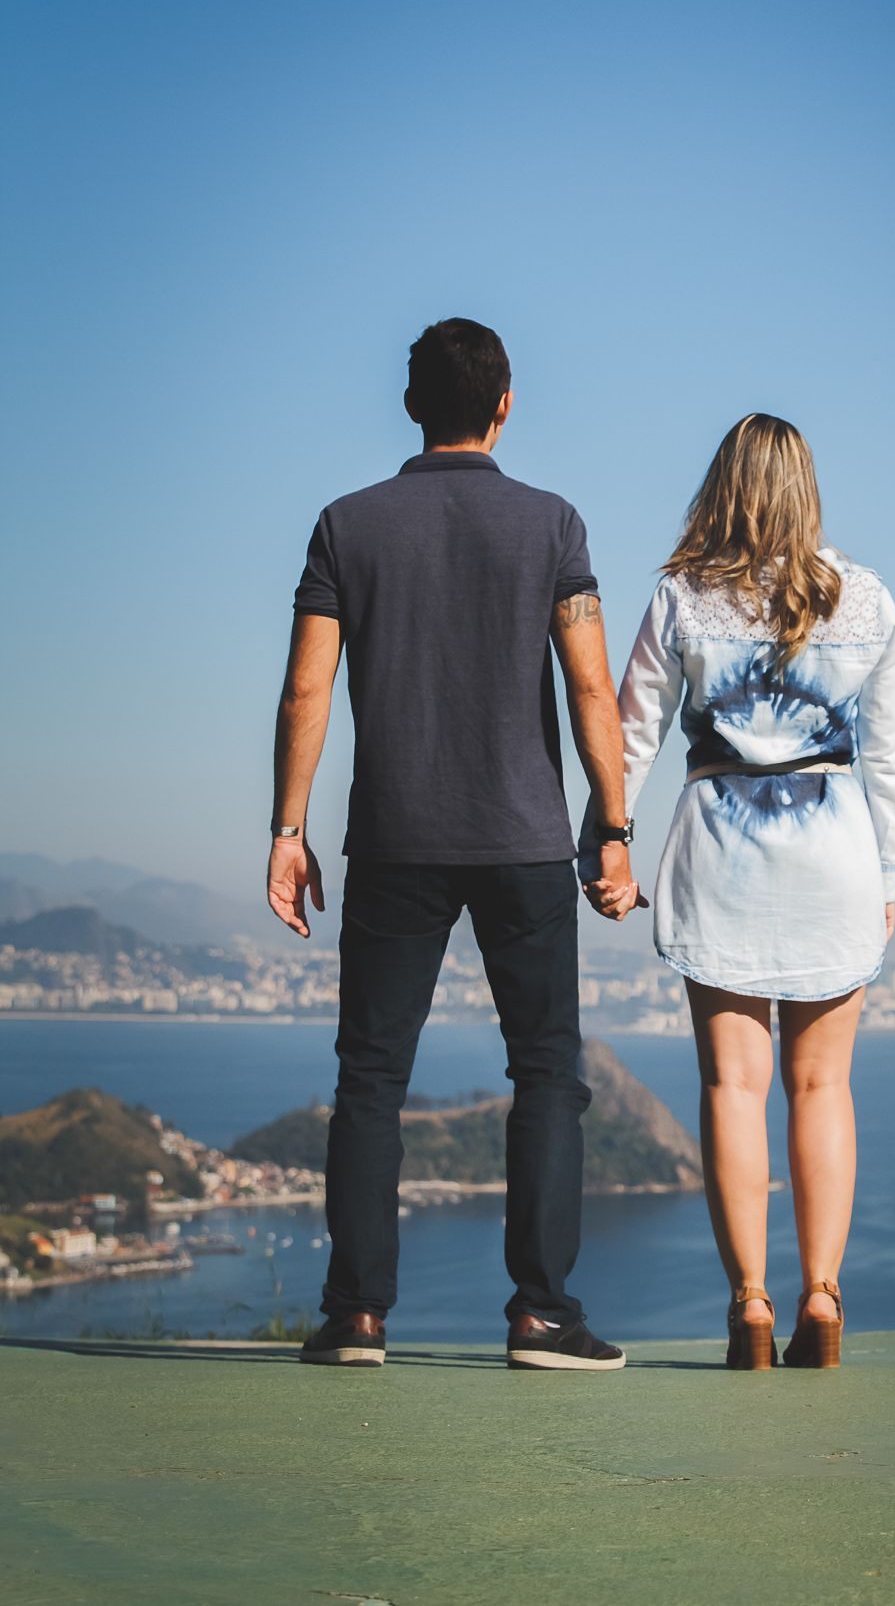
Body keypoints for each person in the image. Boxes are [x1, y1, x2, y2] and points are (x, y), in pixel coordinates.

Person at [268, 318, 633, 1370]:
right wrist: (609, 831)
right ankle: (540, 1314)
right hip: (524, 840)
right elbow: (591, 687)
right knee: (546, 1071)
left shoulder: (346, 524)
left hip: (392, 837)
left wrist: (287, 831)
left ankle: (357, 1318)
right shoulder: (552, 524)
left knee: (371, 1077)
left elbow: (306, 687)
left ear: (410, 404)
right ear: (505, 403)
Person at [581, 413, 895, 1369]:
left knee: (732, 1084)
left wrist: (606, 847)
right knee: (824, 1085)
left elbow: (628, 733)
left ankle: (752, 1307)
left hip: (719, 848)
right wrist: (885, 879)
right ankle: (822, 1293)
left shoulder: (681, 597)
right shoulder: (871, 600)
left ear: (722, 485)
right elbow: (888, 763)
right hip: (835, 852)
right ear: (807, 489)